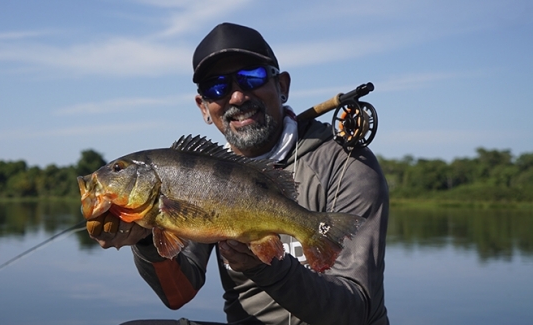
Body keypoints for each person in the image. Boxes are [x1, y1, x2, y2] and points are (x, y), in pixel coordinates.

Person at [87, 22, 389, 325]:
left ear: (282, 86)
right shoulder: (201, 176)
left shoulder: (348, 164)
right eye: (216, 87)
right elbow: (179, 294)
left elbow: (355, 312)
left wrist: (264, 266)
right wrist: (145, 241)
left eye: (251, 77)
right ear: (203, 107)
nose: (236, 97)